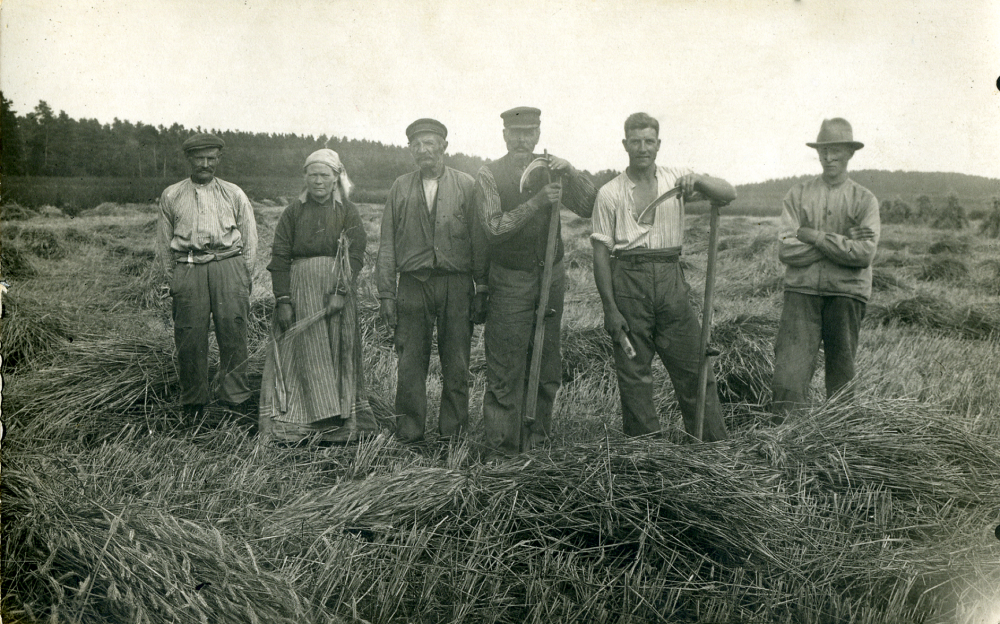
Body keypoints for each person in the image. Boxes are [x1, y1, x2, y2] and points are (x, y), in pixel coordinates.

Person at [591, 112, 733, 442]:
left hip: (671, 280)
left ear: (659, 144)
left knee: (695, 368)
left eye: (649, 141)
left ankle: (714, 450)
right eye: (636, 141)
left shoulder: (678, 180)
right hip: (629, 280)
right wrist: (610, 308)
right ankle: (648, 458)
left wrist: (697, 181)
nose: (643, 148)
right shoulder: (610, 193)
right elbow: (600, 254)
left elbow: (727, 193)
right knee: (634, 374)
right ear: (625, 144)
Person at [475, 106, 597, 458]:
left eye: (529, 132)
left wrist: (570, 172)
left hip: (550, 275)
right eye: (515, 133)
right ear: (504, 136)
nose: (522, 139)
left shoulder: (551, 170)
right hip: (510, 280)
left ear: (539, 134)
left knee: (546, 364)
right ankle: (501, 453)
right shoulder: (488, 175)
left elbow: (589, 206)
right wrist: (536, 203)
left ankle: (537, 445)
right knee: (506, 367)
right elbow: (493, 227)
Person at [376, 118, 487, 443]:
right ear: (411, 149)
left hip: (456, 286)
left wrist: (482, 286)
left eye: (430, 143)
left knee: (456, 363)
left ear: (444, 146)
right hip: (412, 286)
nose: (423, 150)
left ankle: (453, 434)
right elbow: (386, 243)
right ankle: (409, 433)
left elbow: (479, 239)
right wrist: (386, 294)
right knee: (410, 363)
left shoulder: (466, 185)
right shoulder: (400, 187)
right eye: (417, 144)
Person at [258, 148, 378, 443]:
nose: (318, 181)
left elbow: (357, 252)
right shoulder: (293, 212)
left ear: (336, 177)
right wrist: (283, 300)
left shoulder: (347, 211)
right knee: (299, 358)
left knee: (338, 354)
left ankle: (339, 429)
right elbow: (280, 256)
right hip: (300, 294)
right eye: (313, 175)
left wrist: (341, 290)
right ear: (305, 177)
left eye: (324, 175)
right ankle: (294, 427)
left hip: (336, 297)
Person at [771, 118, 879, 415]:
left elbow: (863, 255)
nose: (829, 158)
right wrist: (841, 243)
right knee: (788, 376)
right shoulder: (797, 195)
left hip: (846, 295)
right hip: (801, 292)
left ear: (850, 153)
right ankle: (784, 442)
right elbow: (786, 249)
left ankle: (841, 440)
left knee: (841, 376)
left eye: (836, 151)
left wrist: (815, 236)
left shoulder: (865, 200)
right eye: (824, 151)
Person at [157, 132, 257, 418]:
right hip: (188, 269)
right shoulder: (172, 195)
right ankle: (194, 402)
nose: (205, 164)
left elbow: (250, 237)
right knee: (189, 337)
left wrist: (242, 276)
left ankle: (236, 399)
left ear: (218, 159)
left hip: (228, 266)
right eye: (199, 158)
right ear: (189, 159)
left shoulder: (234, 193)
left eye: (211, 158)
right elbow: (164, 244)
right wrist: (175, 280)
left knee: (234, 333)